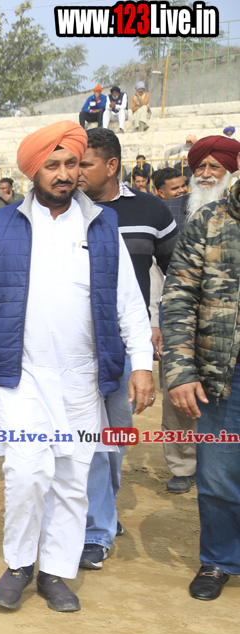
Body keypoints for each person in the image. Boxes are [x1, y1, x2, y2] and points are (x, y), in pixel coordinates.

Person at [0, 120, 154, 614]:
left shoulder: (102, 223)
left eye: (71, 163)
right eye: (53, 165)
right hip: (19, 374)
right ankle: (18, 565)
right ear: (34, 171)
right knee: (26, 472)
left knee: (72, 477)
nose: (65, 173)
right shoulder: (3, 224)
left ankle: (55, 571)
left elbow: (129, 301)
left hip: (82, 376)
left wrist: (141, 363)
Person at [75, 127, 177, 571]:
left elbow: (178, 274)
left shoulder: (152, 210)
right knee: (89, 440)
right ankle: (96, 526)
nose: (76, 172)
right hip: (76, 346)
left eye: (85, 163)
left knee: (113, 439)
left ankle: (103, 508)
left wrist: (155, 324)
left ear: (112, 166)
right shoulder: (63, 210)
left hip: (124, 344)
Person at [161, 147, 240, 602]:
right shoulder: (210, 220)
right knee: (219, 475)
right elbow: (178, 299)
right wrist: (180, 370)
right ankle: (219, 559)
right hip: (223, 376)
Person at [150, 137, 239, 494]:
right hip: (183, 323)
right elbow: (162, 272)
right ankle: (182, 465)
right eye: (199, 166)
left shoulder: (231, 210)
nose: (205, 174)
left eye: (214, 167)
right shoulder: (171, 210)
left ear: (230, 171)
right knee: (180, 398)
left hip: (226, 332)